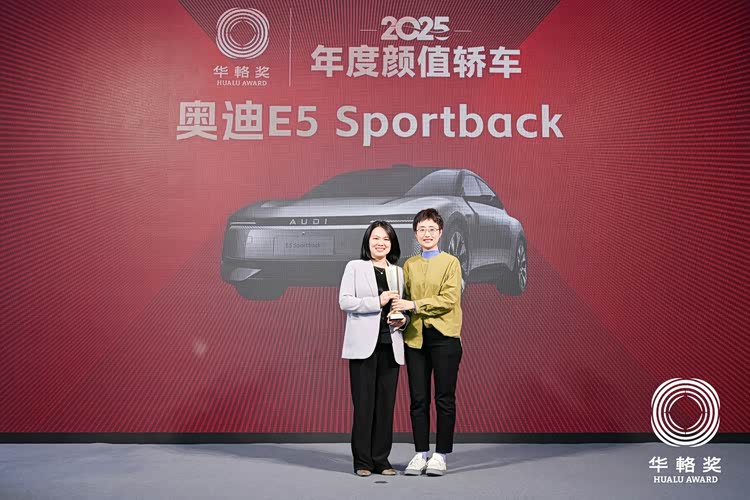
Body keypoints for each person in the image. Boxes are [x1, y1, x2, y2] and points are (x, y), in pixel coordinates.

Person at [391, 208, 463, 477]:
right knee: (418, 400)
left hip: (445, 338)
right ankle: (420, 453)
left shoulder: (451, 263)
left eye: (432, 229)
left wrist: (413, 305)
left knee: (444, 398)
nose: (427, 234)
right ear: (415, 234)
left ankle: (440, 455)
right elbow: (404, 301)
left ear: (441, 232)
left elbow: (449, 300)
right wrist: (401, 316)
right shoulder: (409, 265)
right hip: (415, 340)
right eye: (422, 229)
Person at [339, 221, 408, 477]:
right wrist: (377, 301)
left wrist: (403, 320)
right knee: (364, 405)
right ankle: (362, 461)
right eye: (376, 238)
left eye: (386, 239)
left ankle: (381, 460)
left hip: (391, 345)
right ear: (367, 241)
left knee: (386, 406)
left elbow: (404, 307)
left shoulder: (399, 272)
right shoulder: (355, 267)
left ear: (392, 244)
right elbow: (345, 301)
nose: (381, 243)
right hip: (362, 347)